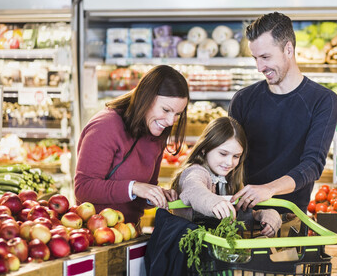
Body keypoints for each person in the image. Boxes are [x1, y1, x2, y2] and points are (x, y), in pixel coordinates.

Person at [229, 12, 337, 214]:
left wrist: (269, 190)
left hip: (292, 217)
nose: (259, 67)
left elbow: (312, 165)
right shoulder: (243, 100)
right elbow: (227, 157)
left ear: (288, 49)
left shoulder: (323, 100)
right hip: (245, 214)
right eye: (255, 58)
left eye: (265, 57)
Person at [74, 65, 189, 224]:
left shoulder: (156, 133)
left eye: (177, 114)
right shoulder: (106, 126)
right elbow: (83, 188)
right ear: (146, 98)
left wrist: (155, 195)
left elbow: (141, 193)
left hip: (130, 234)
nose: (171, 121)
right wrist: (134, 187)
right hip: (95, 235)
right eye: (165, 110)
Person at [170, 117, 282, 237]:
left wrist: (259, 215)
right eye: (223, 154)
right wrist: (213, 202)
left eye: (236, 156)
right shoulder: (195, 172)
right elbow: (194, 189)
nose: (229, 162)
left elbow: (235, 218)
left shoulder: (229, 179)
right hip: (186, 248)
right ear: (204, 149)